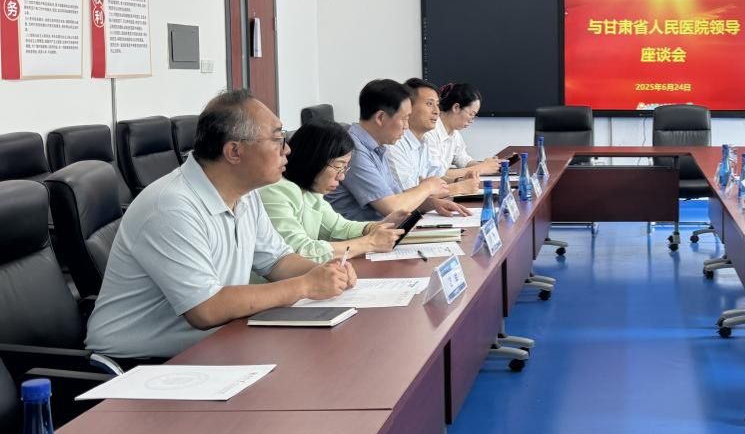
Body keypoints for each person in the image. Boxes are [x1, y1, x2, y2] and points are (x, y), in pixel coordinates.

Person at [85, 90, 354, 360]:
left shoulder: (246, 194)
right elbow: (205, 309)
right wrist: (305, 286)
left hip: (217, 342)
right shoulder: (171, 206)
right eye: (277, 139)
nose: (287, 149)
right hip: (140, 365)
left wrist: (325, 272)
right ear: (234, 151)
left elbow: (276, 261)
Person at [259, 119, 405, 262]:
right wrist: (370, 243)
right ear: (314, 159)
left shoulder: (311, 192)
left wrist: (376, 227)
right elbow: (298, 251)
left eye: (345, 168)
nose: (341, 177)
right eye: (338, 166)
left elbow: (338, 228)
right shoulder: (275, 191)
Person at [327, 79, 465, 223]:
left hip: (383, 229)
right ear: (380, 118)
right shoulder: (353, 150)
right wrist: (428, 187)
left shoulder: (377, 147)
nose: (406, 126)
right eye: (404, 119)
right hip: (364, 234)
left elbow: (396, 196)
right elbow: (392, 208)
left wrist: (432, 204)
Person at [424, 83, 502, 181]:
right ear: (456, 107)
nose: (472, 121)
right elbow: (438, 175)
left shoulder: (454, 133)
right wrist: (481, 168)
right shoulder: (429, 132)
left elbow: (464, 160)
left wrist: (487, 165)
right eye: (471, 114)